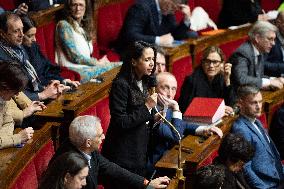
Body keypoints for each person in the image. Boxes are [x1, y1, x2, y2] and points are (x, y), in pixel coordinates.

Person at [51, 115, 170, 189]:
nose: (103, 137)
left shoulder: (84, 146)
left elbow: (111, 168)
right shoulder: (72, 162)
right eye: (100, 135)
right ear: (88, 142)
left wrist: (146, 183)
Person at [147, 72, 223, 175]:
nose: (170, 94)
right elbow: (176, 136)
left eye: (173, 89)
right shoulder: (152, 111)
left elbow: (182, 124)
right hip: (155, 169)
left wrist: (204, 129)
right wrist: (176, 107)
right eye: (165, 88)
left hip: (169, 160)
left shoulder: (166, 106)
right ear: (154, 89)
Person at [101, 41, 158, 179]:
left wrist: (152, 117)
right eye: (147, 59)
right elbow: (120, 122)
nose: (152, 63)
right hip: (122, 154)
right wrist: (147, 108)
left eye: (152, 59)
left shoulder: (144, 80)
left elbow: (140, 116)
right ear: (133, 61)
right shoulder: (121, 85)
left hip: (139, 149)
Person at [0, 12, 70, 101]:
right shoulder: (2, 59)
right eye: (16, 31)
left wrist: (49, 89)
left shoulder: (19, 47)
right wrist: (42, 95)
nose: (21, 34)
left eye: (22, 29)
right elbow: (12, 94)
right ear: (2, 34)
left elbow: (34, 79)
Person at [55, 0, 121, 83]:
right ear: (69, 7)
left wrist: (99, 62)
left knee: (122, 66)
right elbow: (75, 57)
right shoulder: (64, 25)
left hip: (85, 67)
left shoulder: (81, 27)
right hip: (73, 70)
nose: (78, 8)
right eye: (74, 5)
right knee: (121, 67)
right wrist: (97, 63)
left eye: (81, 5)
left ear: (86, 8)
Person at [232, 85, 284, 188]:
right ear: (240, 104)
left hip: (278, 175)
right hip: (269, 184)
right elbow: (245, 167)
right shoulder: (241, 129)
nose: (259, 106)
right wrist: (262, 187)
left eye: (260, 102)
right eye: (254, 103)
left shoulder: (256, 121)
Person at [114, 0, 198, 53]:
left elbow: (175, 35)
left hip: (153, 50)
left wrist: (187, 18)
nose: (174, 10)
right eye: (173, 6)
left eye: (177, 8)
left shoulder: (168, 10)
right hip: (132, 51)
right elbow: (131, 36)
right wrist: (158, 40)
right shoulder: (141, 7)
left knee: (192, 35)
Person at [21, 16, 80, 88]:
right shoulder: (19, 55)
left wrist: (64, 81)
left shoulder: (34, 46)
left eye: (34, 35)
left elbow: (46, 68)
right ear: (20, 35)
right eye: (30, 36)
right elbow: (34, 80)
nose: (35, 39)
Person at [230, 21, 284, 92]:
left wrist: (273, 79)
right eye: (270, 39)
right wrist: (269, 82)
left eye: (274, 40)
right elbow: (242, 79)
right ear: (257, 38)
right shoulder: (243, 53)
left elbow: (257, 76)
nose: (273, 43)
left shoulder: (260, 50)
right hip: (238, 97)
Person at [178, 46, 235, 114]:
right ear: (202, 63)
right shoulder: (192, 80)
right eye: (208, 61)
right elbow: (186, 109)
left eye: (215, 62)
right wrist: (218, 109)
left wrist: (227, 80)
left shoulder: (222, 78)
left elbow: (230, 106)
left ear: (222, 64)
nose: (211, 65)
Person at [0, 61, 34, 149]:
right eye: (15, 92)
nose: (17, 95)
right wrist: (18, 138)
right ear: (4, 87)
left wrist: (5, 140)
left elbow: (9, 121)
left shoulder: (3, 97)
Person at [265, 11, 284, 77]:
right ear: (278, 23)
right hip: (275, 78)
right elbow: (261, 63)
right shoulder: (268, 38)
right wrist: (281, 67)